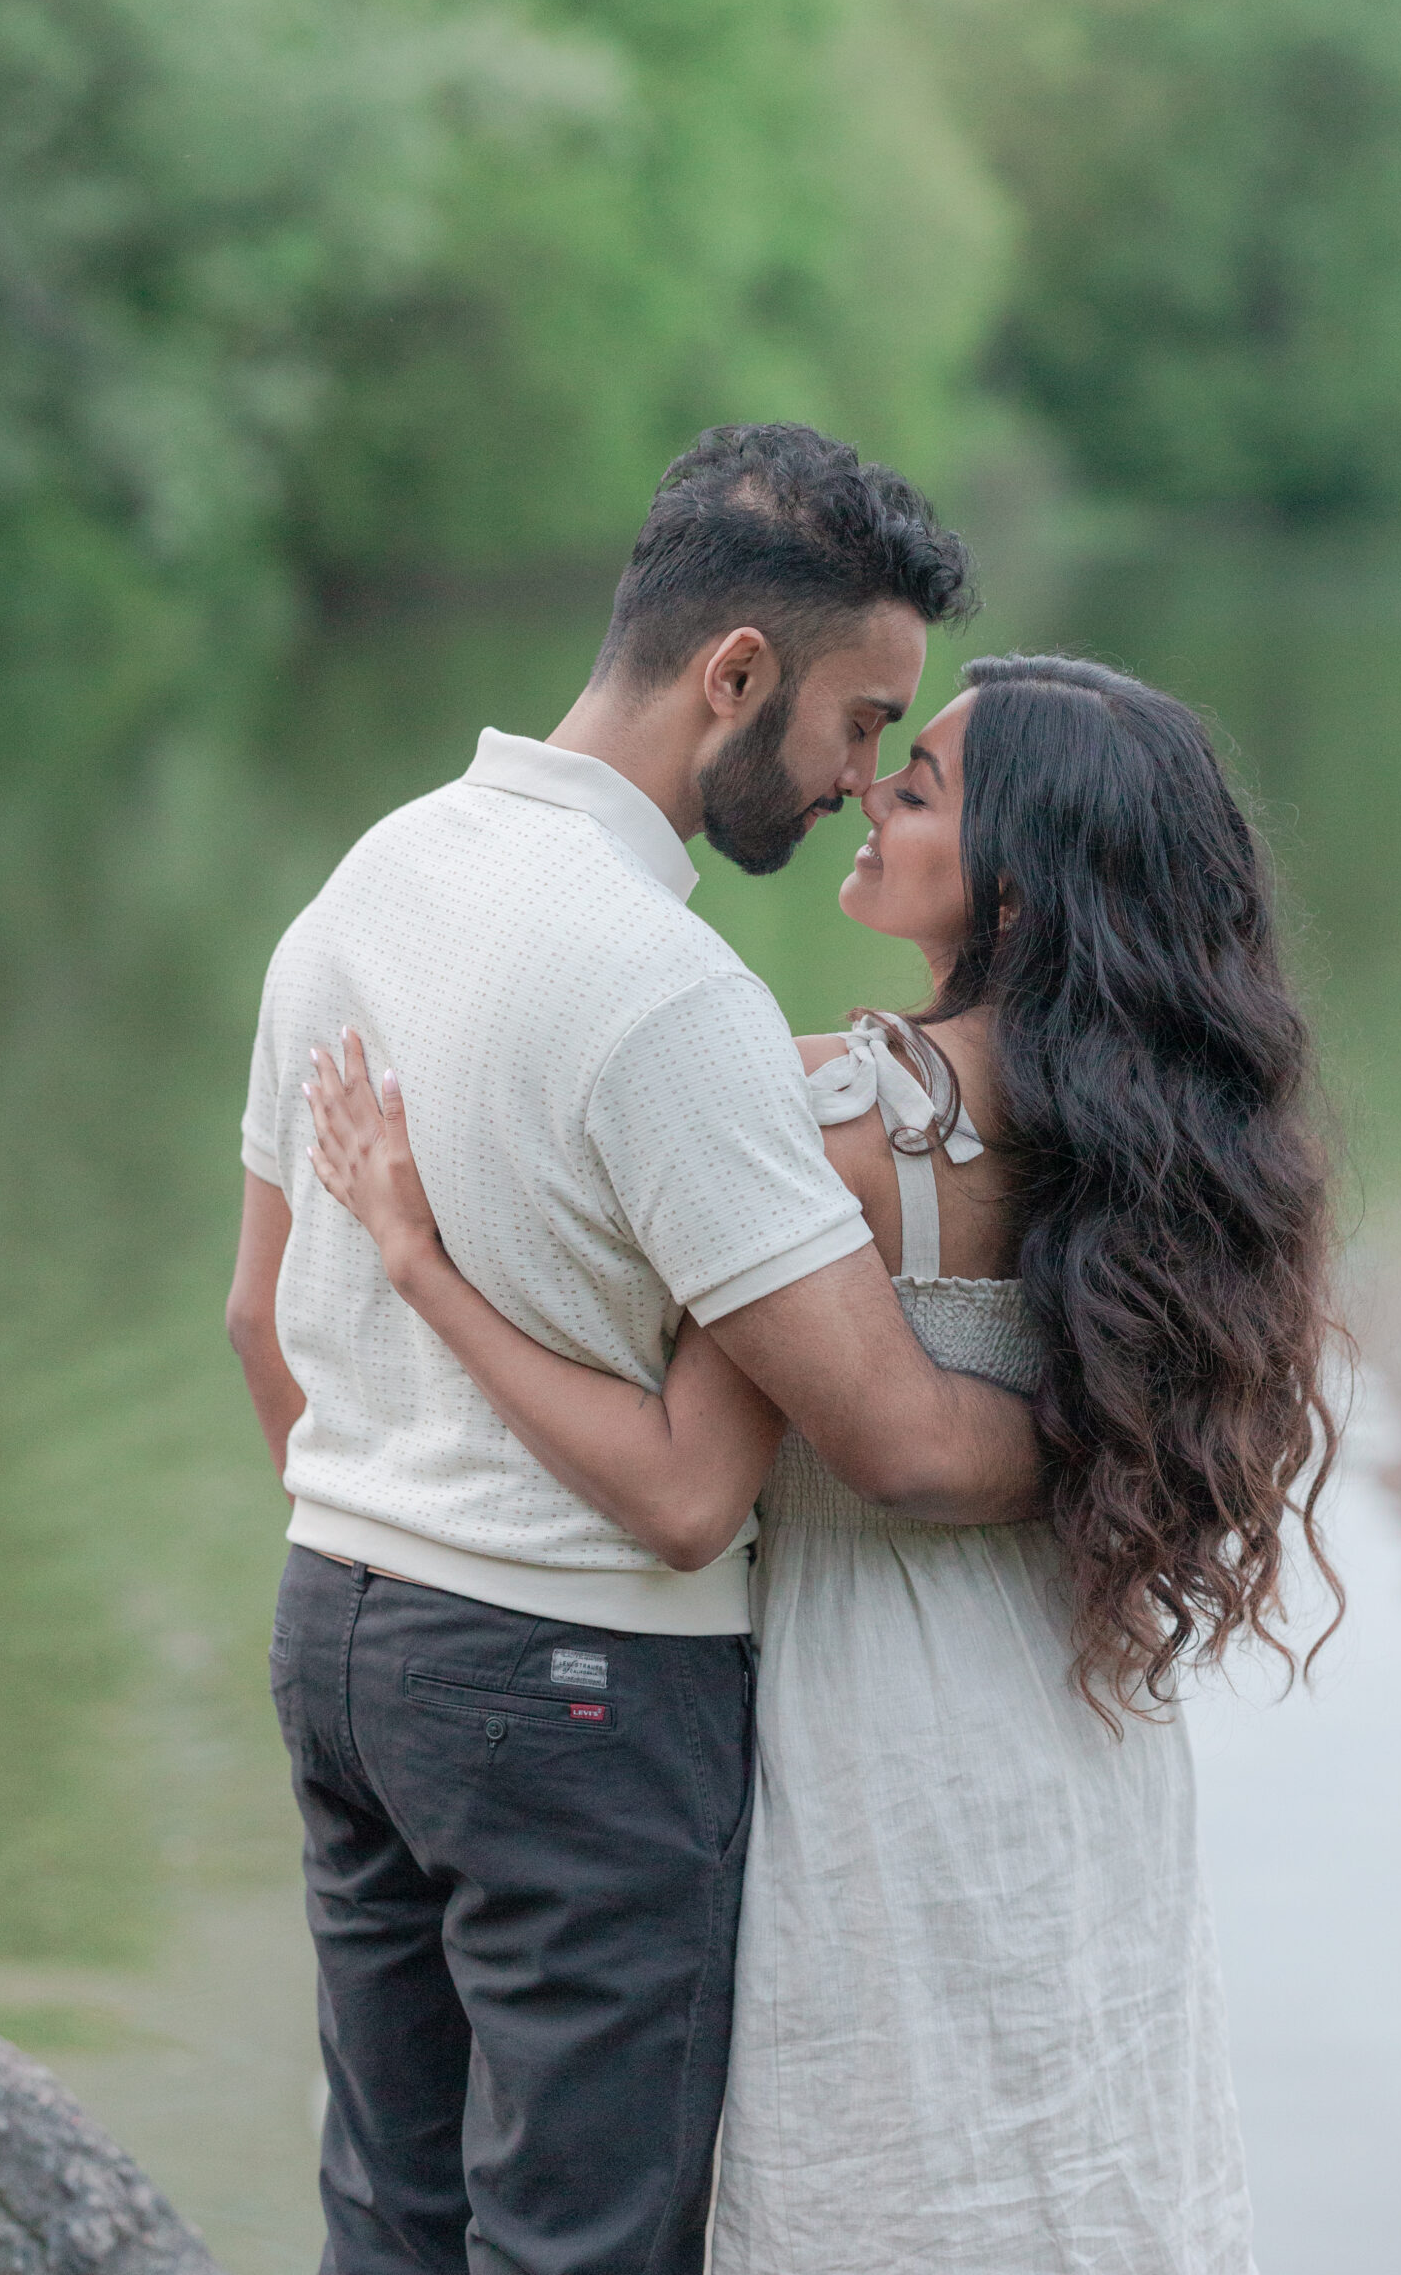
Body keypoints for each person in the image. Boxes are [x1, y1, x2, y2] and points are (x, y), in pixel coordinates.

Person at [303, 652, 1343, 2274]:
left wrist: (419, 1261)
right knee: (1070, 2137)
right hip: (1076, 1715)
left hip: (870, 1723)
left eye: (915, 786)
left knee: (880, 2165)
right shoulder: (1172, 1142)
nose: (866, 786)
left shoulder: (822, 1115)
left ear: (1017, 889)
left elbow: (675, 1485)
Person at [223, 423, 1044, 2275]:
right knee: (582, 2245)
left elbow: (254, 1316)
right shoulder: (674, 1002)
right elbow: (890, 1448)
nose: (857, 787)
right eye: (858, 723)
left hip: (339, 1627)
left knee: (391, 2217)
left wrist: (389, 1511)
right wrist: (1155, 1432)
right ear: (733, 676)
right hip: (575, 1694)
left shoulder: (368, 875)